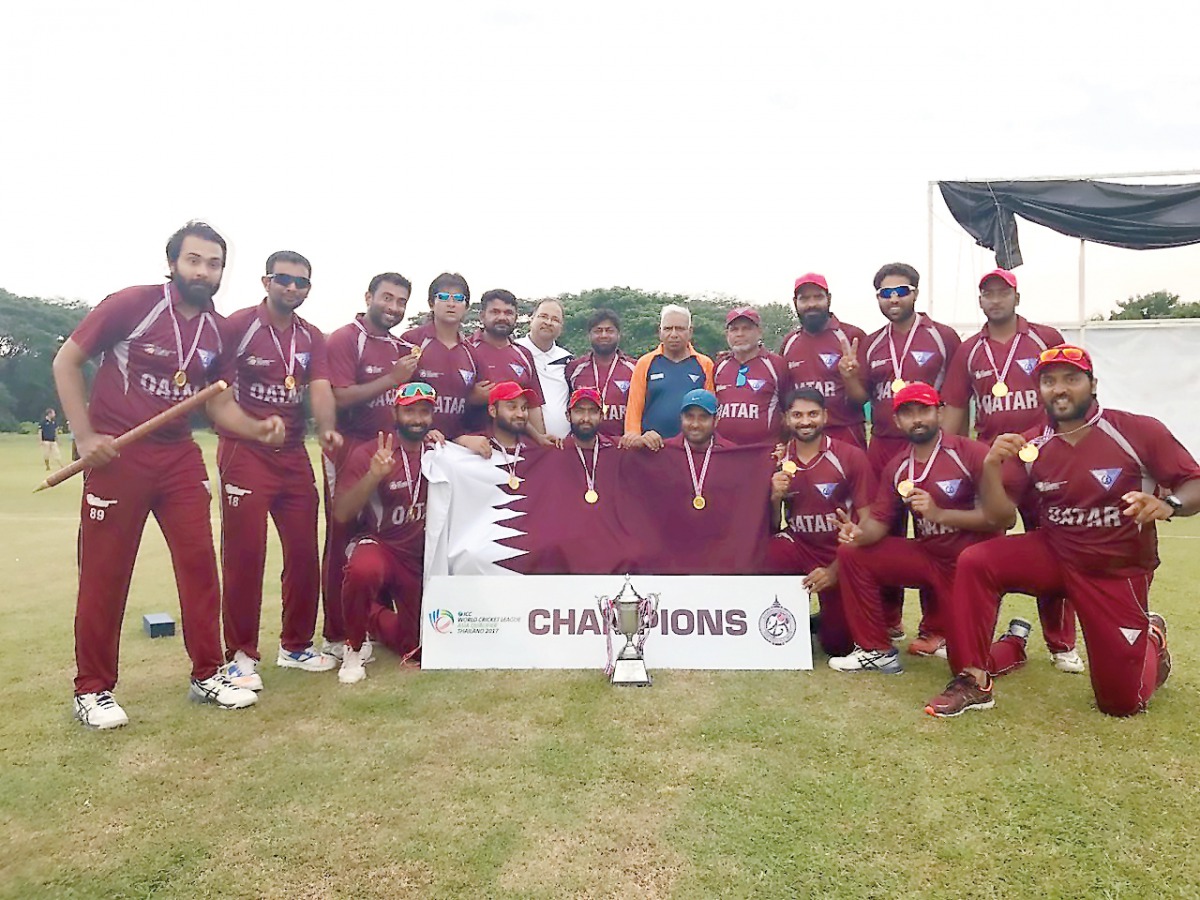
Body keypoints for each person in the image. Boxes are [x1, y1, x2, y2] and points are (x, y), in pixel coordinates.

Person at [52, 221, 278, 728]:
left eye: (214, 263)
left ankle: (207, 673)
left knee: (199, 565)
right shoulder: (133, 303)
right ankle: (92, 689)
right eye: (194, 260)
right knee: (105, 575)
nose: (204, 271)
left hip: (178, 458)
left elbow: (218, 404)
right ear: (173, 261)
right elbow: (67, 361)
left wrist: (257, 427)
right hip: (117, 455)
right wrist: (86, 437)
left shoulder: (217, 330)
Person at [925, 345, 1200, 718]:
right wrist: (991, 466)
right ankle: (974, 680)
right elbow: (1001, 518)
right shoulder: (1031, 444)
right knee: (977, 560)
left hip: (1114, 569)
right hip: (1055, 553)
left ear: (1093, 383)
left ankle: (1151, 635)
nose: (1060, 389)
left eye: (1071, 378)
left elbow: (1193, 482)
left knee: (1120, 704)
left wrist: (1170, 506)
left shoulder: (1136, 430)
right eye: (1049, 380)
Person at [940, 268, 1081, 673]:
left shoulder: (1046, 338)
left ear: (1016, 297)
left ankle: (1061, 644)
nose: (996, 299)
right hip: (995, 463)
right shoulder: (969, 350)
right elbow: (954, 407)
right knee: (981, 550)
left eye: (1003, 293)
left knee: (1053, 543)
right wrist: (953, 454)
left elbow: (1070, 391)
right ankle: (977, 639)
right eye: (988, 294)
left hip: (1045, 455)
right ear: (980, 300)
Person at [215, 251, 341, 692]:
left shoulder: (312, 336)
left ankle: (296, 646)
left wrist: (326, 429)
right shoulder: (238, 325)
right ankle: (241, 654)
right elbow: (219, 392)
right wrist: (252, 428)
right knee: (246, 553)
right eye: (284, 280)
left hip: (291, 452)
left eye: (301, 283)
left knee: (304, 551)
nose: (292, 288)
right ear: (266, 281)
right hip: (243, 450)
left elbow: (320, 387)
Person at [828, 383, 1011, 674]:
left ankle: (1014, 642)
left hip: (970, 567)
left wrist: (940, 514)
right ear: (898, 420)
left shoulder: (971, 452)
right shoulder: (898, 466)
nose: (917, 419)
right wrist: (860, 533)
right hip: (929, 556)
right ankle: (876, 650)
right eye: (908, 413)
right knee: (852, 552)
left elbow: (1004, 519)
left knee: (969, 667)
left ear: (939, 412)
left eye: (923, 410)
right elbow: (879, 520)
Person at [860, 263, 962, 641]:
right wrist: (849, 374)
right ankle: (890, 620)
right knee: (884, 532)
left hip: (925, 446)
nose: (893, 299)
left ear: (915, 292)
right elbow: (862, 397)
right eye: (885, 294)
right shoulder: (871, 343)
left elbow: (955, 396)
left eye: (900, 290)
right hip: (884, 446)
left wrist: (944, 450)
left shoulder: (942, 336)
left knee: (932, 533)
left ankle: (935, 628)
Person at [323, 273, 423, 657]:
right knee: (343, 540)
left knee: (386, 536)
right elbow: (340, 397)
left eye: (401, 302)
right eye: (387, 298)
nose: (394, 308)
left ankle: (372, 619)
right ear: (369, 296)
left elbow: (413, 401)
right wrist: (391, 378)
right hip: (350, 449)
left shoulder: (402, 345)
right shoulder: (346, 337)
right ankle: (337, 635)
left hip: (393, 452)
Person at [332, 382, 440, 684]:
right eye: (410, 411)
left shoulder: (440, 451)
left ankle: (370, 616)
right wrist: (373, 476)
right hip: (380, 544)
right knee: (363, 570)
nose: (417, 419)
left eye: (424, 412)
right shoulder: (371, 452)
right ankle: (353, 648)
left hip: (417, 557)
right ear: (395, 412)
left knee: (416, 645)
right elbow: (342, 513)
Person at [764, 388, 876, 657]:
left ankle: (823, 620)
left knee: (838, 646)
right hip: (799, 546)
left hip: (838, 552)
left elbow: (869, 521)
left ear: (825, 416)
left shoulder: (850, 456)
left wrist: (835, 570)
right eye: (798, 415)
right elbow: (770, 527)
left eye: (813, 414)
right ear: (786, 419)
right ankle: (776, 621)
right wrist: (773, 498)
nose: (805, 421)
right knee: (765, 553)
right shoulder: (776, 460)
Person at [779, 274, 869, 448]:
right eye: (804, 298)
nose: (811, 304)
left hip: (844, 432)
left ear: (828, 299)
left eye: (818, 297)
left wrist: (849, 377)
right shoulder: (790, 342)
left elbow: (862, 398)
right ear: (795, 302)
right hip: (803, 436)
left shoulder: (851, 336)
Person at [464, 289, 552, 443]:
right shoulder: (465, 349)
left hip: (518, 449)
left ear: (516, 317)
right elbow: (449, 400)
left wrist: (540, 441)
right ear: (482, 316)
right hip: (474, 449)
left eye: (508, 313)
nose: (502, 318)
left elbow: (533, 406)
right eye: (495, 312)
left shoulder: (524, 354)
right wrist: (471, 398)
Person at [623, 305, 715, 447]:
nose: (673, 334)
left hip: (691, 448)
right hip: (651, 447)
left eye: (680, 329)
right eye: (668, 329)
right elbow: (634, 408)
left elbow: (711, 409)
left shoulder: (705, 364)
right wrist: (634, 437)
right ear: (659, 332)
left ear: (690, 332)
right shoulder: (645, 363)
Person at [713, 307, 787, 446]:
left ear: (759, 332)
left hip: (764, 451)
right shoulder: (720, 365)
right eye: (734, 329)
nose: (740, 334)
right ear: (727, 334)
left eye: (746, 328)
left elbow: (788, 410)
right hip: (724, 451)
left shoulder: (776, 365)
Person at [564, 308, 637, 438]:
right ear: (589, 335)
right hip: (585, 446)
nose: (604, 335)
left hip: (623, 447)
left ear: (619, 334)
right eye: (598, 331)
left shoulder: (635, 368)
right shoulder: (574, 369)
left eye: (609, 330)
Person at [517, 299, 573, 440]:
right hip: (523, 443)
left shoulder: (568, 359)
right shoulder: (514, 351)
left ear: (561, 327)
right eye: (543, 316)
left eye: (555, 319)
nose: (548, 322)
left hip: (562, 446)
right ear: (532, 318)